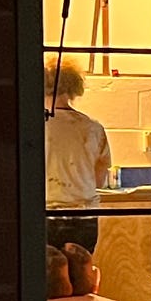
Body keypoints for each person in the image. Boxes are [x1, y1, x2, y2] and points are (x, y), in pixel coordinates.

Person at [44, 60, 112, 209]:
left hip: (47, 210)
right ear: (74, 87)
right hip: (84, 210)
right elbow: (100, 178)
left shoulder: (37, 127)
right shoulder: (93, 128)